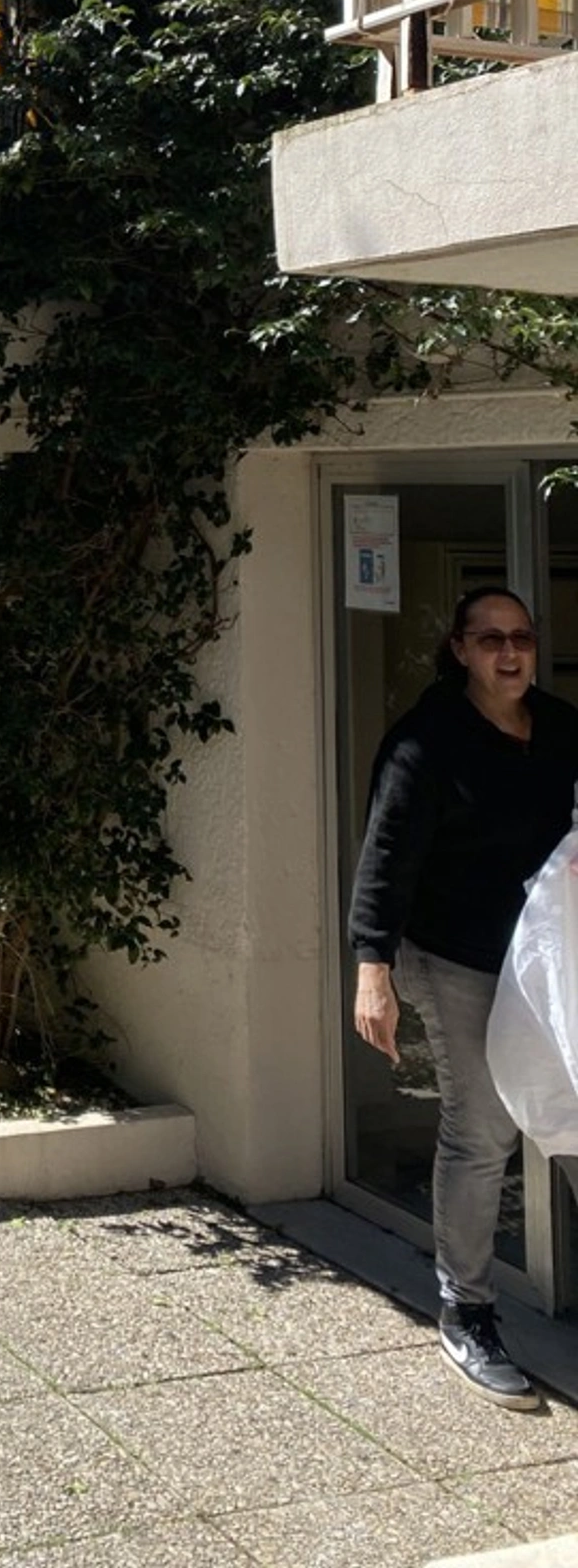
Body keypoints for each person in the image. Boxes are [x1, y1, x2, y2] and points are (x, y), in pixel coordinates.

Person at [350, 585, 578, 1406]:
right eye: (490, 639)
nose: (509, 653)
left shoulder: (561, 729)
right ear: (459, 649)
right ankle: (467, 1311)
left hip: (549, 957)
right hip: (458, 959)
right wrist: (372, 971)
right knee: (482, 1130)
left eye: (521, 638)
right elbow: (386, 860)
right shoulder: (426, 743)